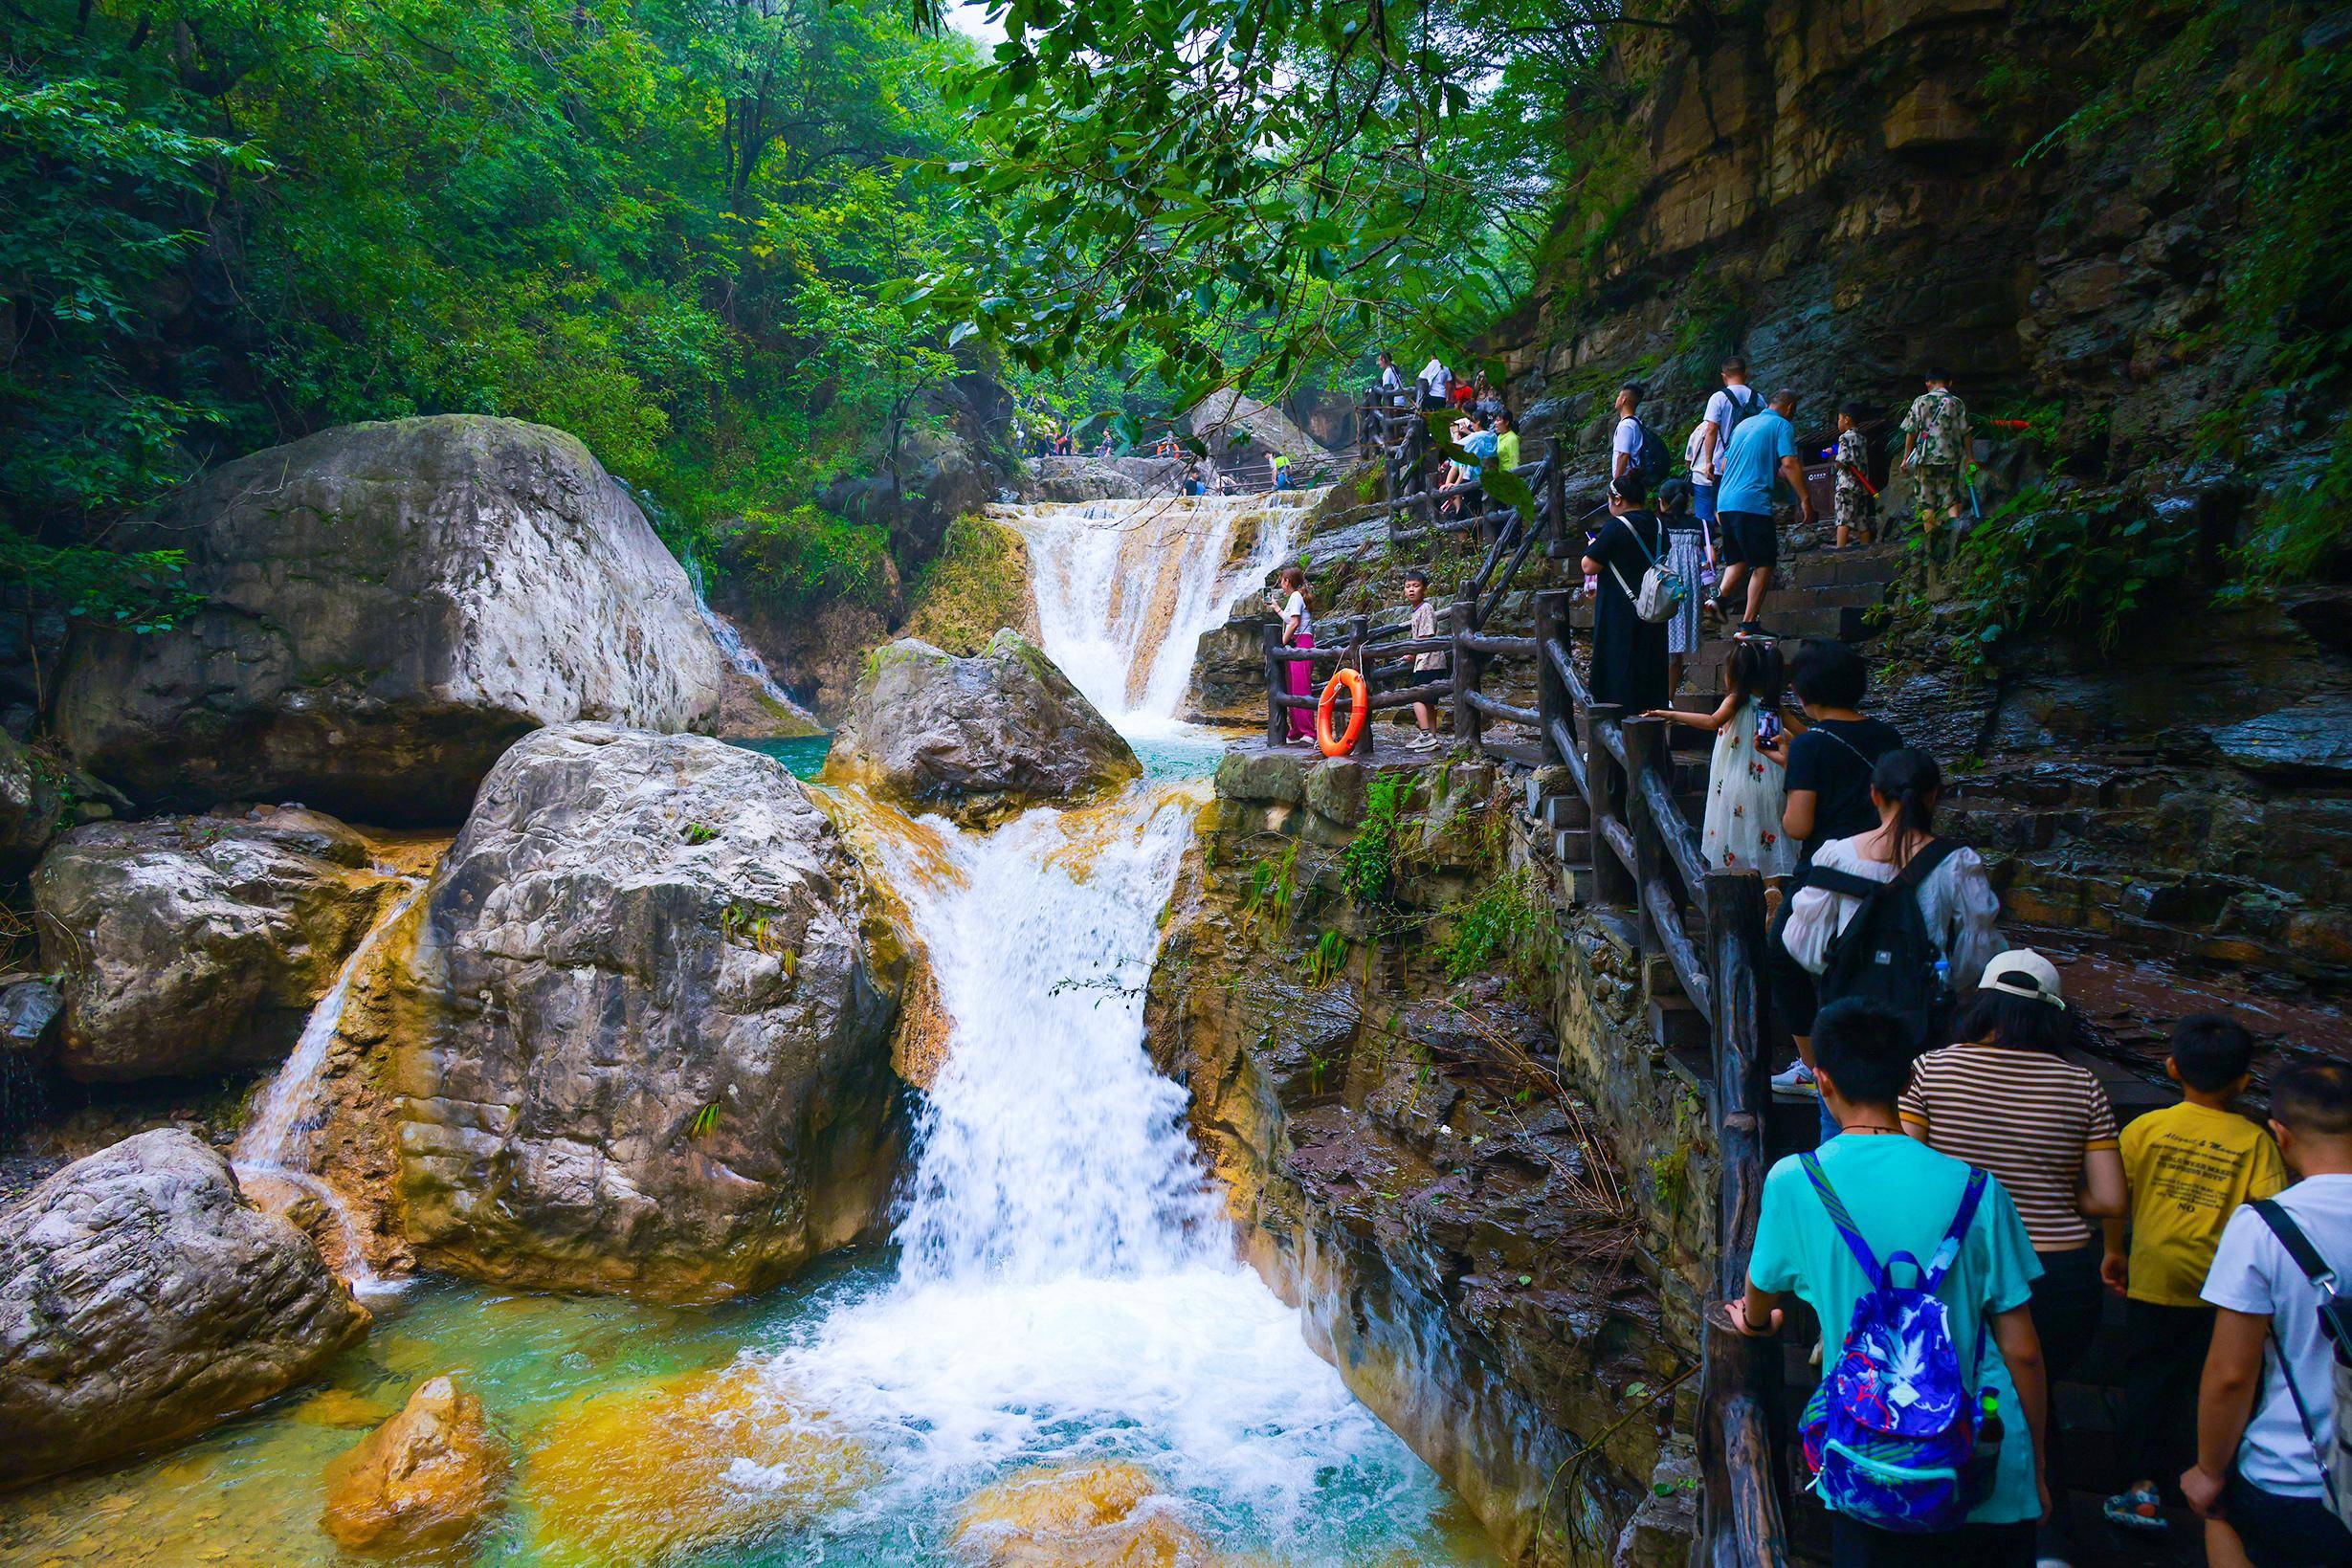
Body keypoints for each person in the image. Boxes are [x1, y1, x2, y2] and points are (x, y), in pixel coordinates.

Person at [1729, 996, 2052, 1568]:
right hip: (1982, 1454)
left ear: (1821, 1080)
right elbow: (2022, 1351)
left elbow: (1759, 1302)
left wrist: (1758, 1322)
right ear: (1907, 1079)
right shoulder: (1979, 1188)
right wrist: (2040, 1469)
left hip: (1869, 1457)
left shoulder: (1796, 1181)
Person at [1898, 948, 2123, 1566]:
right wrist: (2054, 1184)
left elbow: (1911, 1170)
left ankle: (1945, 1507)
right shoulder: (2082, 1083)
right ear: (2053, 1017)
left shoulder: (1932, 1070)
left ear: (1983, 1002)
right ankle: (2047, 1535)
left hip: (1961, 1267)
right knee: (2035, 1394)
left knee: (1957, 1387)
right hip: (2060, 1272)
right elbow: (2108, 1197)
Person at [2101, 1015, 2288, 1535]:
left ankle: (2139, 1487)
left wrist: (2114, 1250)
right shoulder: (2255, 1143)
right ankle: (2208, 1474)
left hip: (2154, 1277)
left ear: (2171, 1067)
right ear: (2245, 1082)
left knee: (2147, 1380)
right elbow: (2271, 1218)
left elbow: (2118, 1197)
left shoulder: (2146, 1128)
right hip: (2225, 1291)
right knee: (2214, 1381)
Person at [2185, 1060, 2352, 1568]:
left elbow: (2232, 1374)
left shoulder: (2264, 1226)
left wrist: (2209, 1470)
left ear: (2278, 1134)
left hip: (2296, 1475)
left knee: (2221, 1517)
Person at [1764, 639, 1905, 1101]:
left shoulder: (1810, 748)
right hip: (1886, 867)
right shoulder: (1887, 738)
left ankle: (1814, 1067)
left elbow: (1799, 823)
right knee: (1861, 966)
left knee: (1783, 959)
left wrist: (1791, 778)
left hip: (1826, 872)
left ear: (1803, 692)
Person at [1645, 636, 1795, 878]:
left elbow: (1712, 721)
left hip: (1736, 780)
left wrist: (1671, 715)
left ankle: (1743, 883)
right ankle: (1772, 886)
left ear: (1736, 674)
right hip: (1772, 782)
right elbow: (1802, 732)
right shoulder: (1772, 706)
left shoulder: (1736, 700)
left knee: (1737, 830)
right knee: (1768, 826)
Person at [1711, 386, 1813, 639]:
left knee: (1738, 560)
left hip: (1725, 502)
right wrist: (1805, 499)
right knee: (1764, 563)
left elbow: (1725, 462)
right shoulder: (1781, 426)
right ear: (1789, 408)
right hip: (1752, 504)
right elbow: (1789, 463)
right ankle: (1748, 626)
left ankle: (1718, 602)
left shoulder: (1744, 425)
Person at [1581, 473, 1671, 713]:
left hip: (1620, 609)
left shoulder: (1617, 527)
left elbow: (1589, 565)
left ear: (1618, 500)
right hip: (1654, 607)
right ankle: (1652, 720)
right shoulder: (1660, 525)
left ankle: (1617, 730)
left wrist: (1593, 547)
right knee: (1651, 664)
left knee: (1618, 668)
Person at [1901, 370, 1971, 546]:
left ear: (1928, 383)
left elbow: (1911, 431)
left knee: (1927, 502)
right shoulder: (1957, 403)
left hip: (1925, 459)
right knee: (1951, 498)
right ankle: (1957, 539)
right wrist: (1970, 457)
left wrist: (1905, 458)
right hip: (1950, 459)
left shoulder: (1921, 401)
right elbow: (1966, 433)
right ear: (1950, 383)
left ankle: (1931, 544)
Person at [1695, 356, 1764, 521]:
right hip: (1750, 463)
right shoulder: (1758, 398)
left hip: (1722, 464)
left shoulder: (1718, 398)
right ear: (1745, 374)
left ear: (1724, 376)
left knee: (1721, 506)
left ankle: (1728, 539)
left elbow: (1711, 429)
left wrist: (1708, 461)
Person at [1654, 477, 1705, 695]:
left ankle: (1654, 697)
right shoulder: (1698, 525)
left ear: (1662, 502)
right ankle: (1669, 698)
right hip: (1685, 594)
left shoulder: (1657, 525)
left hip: (1660, 589)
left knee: (1657, 645)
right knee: (1675, 652)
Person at [1270, 563, 1317, 744]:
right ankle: (1297, 730)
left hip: (1302, 642)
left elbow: (1295, 623)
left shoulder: (1296, 596)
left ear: (1287, 581)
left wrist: (1280, 644)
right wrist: (1276, 608)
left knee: (1301, 687)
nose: (1281, 584)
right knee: (1292, 687)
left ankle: (1308, 732)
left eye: (1282, 580)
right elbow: (1290, 619)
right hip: (1298, 643)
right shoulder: (1295, 597)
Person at [1403, 569, 1443, 748]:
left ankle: (1425, 734)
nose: (1411, 590)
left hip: (1428, 661)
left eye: (1416, 586)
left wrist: (1413, 651)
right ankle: (1432, 738)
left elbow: (1426, 637)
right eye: (1408, 586)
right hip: (1428, 660)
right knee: (1428, 701)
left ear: (1424, 589)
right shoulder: (1417, 610)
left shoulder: (1425, 609)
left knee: (1416, 697)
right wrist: (1412, 654)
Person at [1832, 401, 1875, 549]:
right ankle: (1866, 550)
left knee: (1843, 519)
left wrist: (1834, 462)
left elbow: (1842, 461)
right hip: (1862, 486)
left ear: (1846, 419)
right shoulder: (1862, 438)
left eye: (1839, 418)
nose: (1838, 422)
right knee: (1862, 520)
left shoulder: (1844, 438)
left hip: (1846, 485)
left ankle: (1839, 551)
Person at [1609, 383, 1646, 482]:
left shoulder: (1626, 425)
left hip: (1627, 482)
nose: (1617, 399)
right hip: (1635, 479)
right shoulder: (1636, 422)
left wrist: (1616, 484)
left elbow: (1623, 455)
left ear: (1623, 399)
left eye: (1619, 396)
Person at [1493, 409, 1521, 476]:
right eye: (1495, 420)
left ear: (1506, 422)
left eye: (1498, 420)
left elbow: (1515, 461)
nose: (1495, 423)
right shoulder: (1500, 436)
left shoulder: (1512, 439)